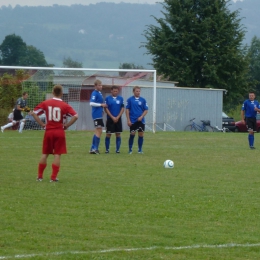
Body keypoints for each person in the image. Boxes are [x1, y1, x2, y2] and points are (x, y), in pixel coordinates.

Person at [31, 84, 78, 182]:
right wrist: (67, 125)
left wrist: (42, 124)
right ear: (61, 93)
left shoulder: (46, 103)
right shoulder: (65, 105)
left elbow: (34, 113)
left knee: (45, 154)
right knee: (57, 154)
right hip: (59, 131)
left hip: (48, 131)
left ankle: (40, 176)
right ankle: (53, 177)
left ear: (53, 92)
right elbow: (75, 116)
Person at [125, 86, 148, 154]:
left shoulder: (143, 100)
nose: (138, 92)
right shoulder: (130, 100)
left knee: (141, 134)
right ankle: (130, 149)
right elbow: (127, 110)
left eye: (139, 91)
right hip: (133, 120)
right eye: (137, 91)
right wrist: (128, 120)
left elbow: (146, 110)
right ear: (133, 92)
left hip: (141, 120)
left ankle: (140, 149)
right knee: (132, 134)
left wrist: (141, 116)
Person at [104, 86, 124, 153]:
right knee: (108, 134)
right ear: (111, 91)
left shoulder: (121, 98)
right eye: (114, 91)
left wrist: (118, 117)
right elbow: (106, 108)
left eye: (116, 91)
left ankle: (117, 150)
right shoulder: (107, 98)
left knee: (118, 134)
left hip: (118, 119)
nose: (115, 92)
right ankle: (107, 150)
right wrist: (112, 117)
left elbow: (122, 108)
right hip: (110, 119)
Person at [89, 79, 107, 154]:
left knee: (98, 130)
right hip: (96, 114)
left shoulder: (99, 93)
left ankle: (92, 148)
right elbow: (91, 103)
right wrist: (101, 105)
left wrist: (102, 110)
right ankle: (95, 148)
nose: (100, 86)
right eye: (99, 85)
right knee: (99, 130)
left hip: (99, 113)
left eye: (101, 85)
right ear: (95, 86)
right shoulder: (94, 93)